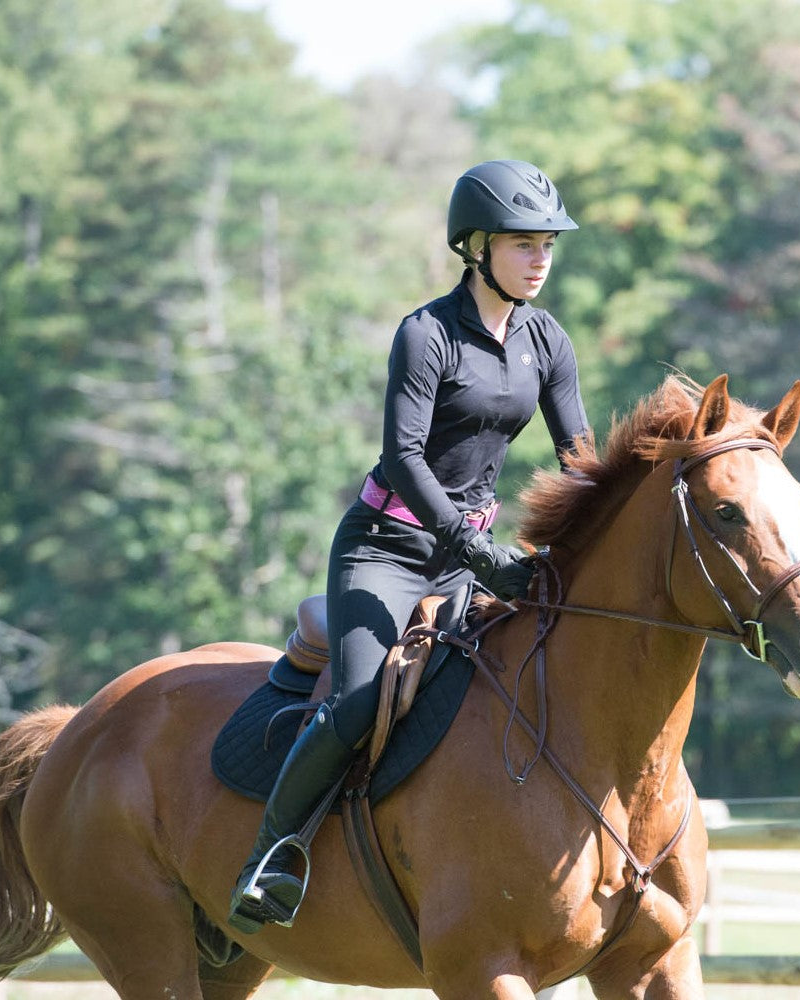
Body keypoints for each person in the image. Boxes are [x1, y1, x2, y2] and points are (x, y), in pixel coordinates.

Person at [228, 159, 590, 933]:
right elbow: (405, 458)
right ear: (477, 247)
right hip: (387, 546)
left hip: (473, 555)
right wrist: (471, 545)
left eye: (548, 244)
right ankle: (273, 853)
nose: (540, 258)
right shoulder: (426, 334)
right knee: (359, 700)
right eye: (524, 243)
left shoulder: (547, 339)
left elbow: (579, 460)